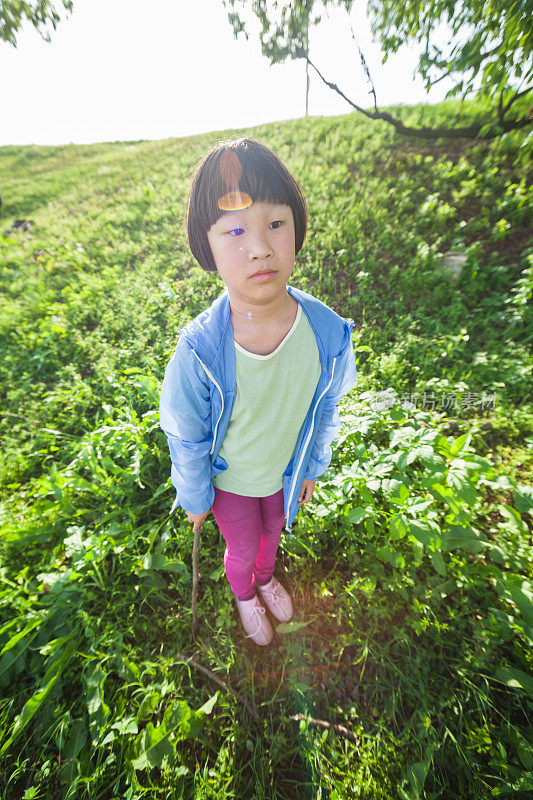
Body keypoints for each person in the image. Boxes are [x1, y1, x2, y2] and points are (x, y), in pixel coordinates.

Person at [159, 137, 357, 646]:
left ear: (296, 228)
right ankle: (243, 593)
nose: (260, 247)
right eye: (236, 230)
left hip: (282, 473)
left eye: (276, 223)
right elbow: (185, 431)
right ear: (207, 246)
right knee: (243, 546)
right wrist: (196, 495)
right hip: (232, 483)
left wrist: (311, 466)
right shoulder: (201, 350)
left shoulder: (326, 334)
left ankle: (265, 580)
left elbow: (326, 406)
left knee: (273, 539)